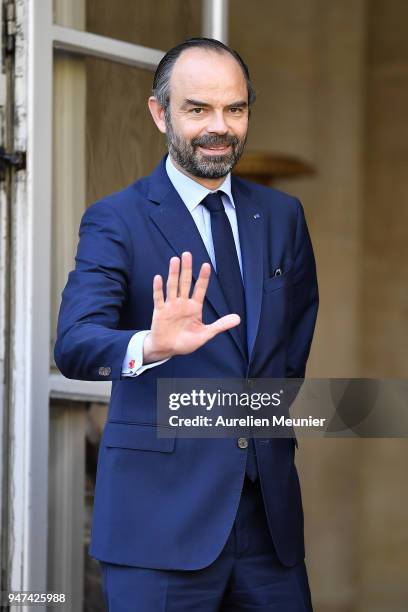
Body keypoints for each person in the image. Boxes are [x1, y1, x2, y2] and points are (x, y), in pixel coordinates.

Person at [55, 37, 319, 611]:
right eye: (197, 109)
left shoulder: (282, 217)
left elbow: (289, 354)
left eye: (235, 109)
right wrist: (152, 344)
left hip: (268, 525)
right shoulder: (116, 220)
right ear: (160, 113)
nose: (218, 126)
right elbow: (74, 345)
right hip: (159, 523)